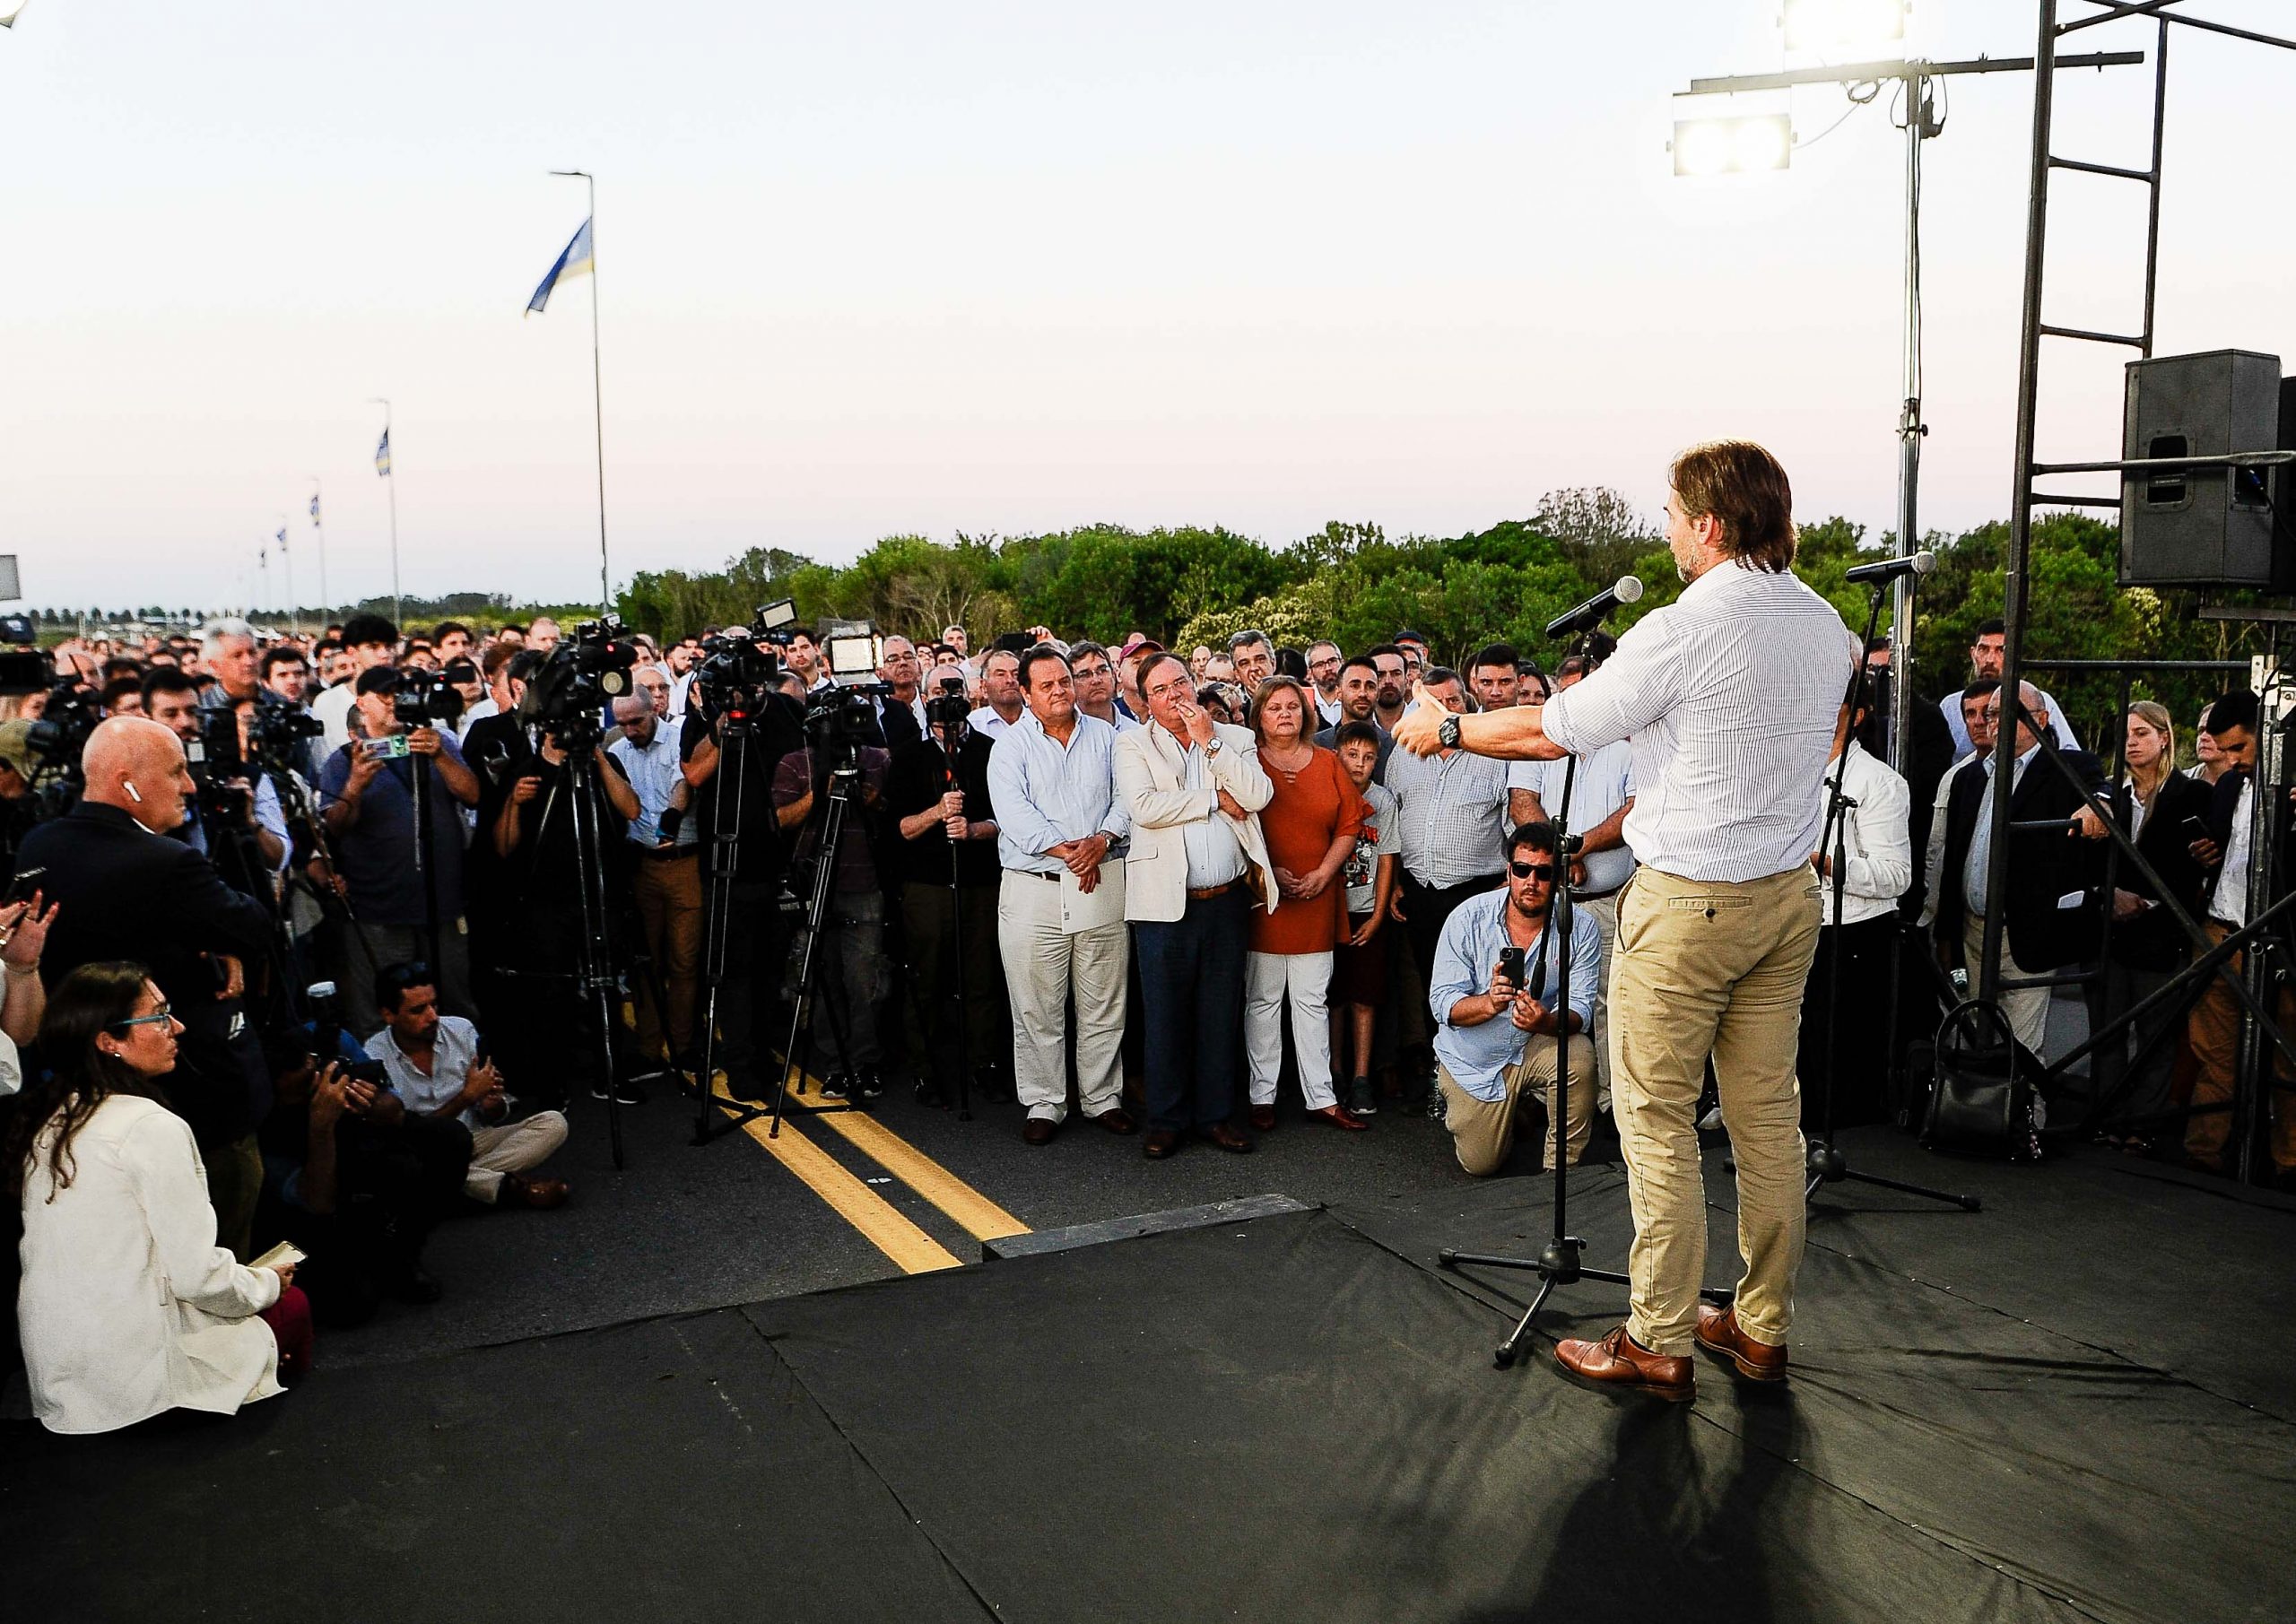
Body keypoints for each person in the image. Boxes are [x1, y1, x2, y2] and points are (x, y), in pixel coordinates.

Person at [1395, 439, 1854, 1401]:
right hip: (1784, 898)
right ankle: (1760, 1325)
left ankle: (1658, 1339)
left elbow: (1546, 728)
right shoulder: (1826, 625)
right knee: (1770, 1117)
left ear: (1710, 525)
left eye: (1672, 515)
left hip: (1689, 903)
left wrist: (1441, 727)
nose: (1666, 530)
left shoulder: (1683, 626)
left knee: (1654, 1120)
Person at [8, 963, 309, 1434]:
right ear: (109, 1041)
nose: (178, 1027)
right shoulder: (150, 1126)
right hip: (132, 1380)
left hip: (58, 1377)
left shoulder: (51, 1121)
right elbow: (195, 1278)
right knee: (294, 1308)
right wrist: (267, 1284)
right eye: (160, 1015)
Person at [19, 718, 277, 1257]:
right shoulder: (165, 861)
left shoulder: (38, 845)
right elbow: (255, 924)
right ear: (126, 781)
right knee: (215, 1239)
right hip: (190, 1091)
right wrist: (221, 944)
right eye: (177, 770)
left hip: (78, 1088)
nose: (190, 786)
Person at [1117, 653, 1275, 1159]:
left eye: (1180, 682)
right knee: (1164, 1016)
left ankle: (1215, 1117)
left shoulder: (1234, 739)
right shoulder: (1132, 743)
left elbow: (1257, 794)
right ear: (1146, 700)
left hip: (1225, 902)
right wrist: (1211, 799)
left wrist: (1210, 744)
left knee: (1219, 1012)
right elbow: (1145, 808)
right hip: (1163, 905)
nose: (1174, 695)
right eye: (1160, 690)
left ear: (1194, 682)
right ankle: (1166, 1120)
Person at [987, 647, 1135, 1143]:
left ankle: (1101, 1098)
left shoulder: (1109, 738)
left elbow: (1126, 799)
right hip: (1036, 889)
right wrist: (1073, 853)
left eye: (1064, 681)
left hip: (1102, 878)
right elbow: (1015, 815)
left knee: (1103, 1000)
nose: (1060, 691)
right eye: (1046, 685)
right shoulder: (1009, 747)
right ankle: (1044, 1102)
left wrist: (1102, 841)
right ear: (1025, 693)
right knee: (1036, 1005)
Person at [1934, 682, 2105, 1057]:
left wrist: (2098, 806)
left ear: (2042, 720)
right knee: (1972, 1034)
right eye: (1993, 714)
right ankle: (1976, 1112)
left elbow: (2105, 796)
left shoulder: (2067, 767)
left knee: (2023, 1046)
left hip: (2025, 932)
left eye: (2012, 713)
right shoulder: (1970, 777)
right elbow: (1954, 860)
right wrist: (1947, 933)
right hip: (1971, 930)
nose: (1996, 722)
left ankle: (2026, 1115)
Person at [2073, 701, 2212, 1150]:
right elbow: (2086, 860)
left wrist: (2148, 901)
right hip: (2108, 931)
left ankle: (2144, 1127)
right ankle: (2106, 1119)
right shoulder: (2109, 797)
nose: (2131, 743)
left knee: (2156, 1034)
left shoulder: (2190, 796)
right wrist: (2106, 895)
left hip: (2160, 932)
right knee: (2108, 1031)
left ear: (2164, 737)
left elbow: (2195, 867)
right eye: (2126, 735)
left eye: (2141, 733)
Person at [1429, 822, 1600, 1174]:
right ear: (1509, 871)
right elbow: (1442, 1003)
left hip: (1535, 1041)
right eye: (1522, 870)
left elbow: (1581, 1009)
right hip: (1476, 1058)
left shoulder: (1580, 926)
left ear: (1559, 878)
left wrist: (1546, 1022)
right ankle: (1511, 1112)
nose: (1531, 882)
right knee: (1481, 1164)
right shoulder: (1467, 917)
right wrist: (1489, 1003)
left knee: (1579, 1055)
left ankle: (1560, 1170)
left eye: (1544, 872)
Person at [318, 667, 482, 1031]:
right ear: (362, 703)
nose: (395, 702)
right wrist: (355, 785)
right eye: (384, 695)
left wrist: (440, 756)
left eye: (400, 693)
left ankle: (468, 1078)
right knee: (385, 1009)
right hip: (380, 909)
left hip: (443, 904)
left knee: (455, 1002)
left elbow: (473, 796)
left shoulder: (440, 742)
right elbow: (336, 827)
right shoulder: (343, 760)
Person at [1506, 655, 1635, 1107]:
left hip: (1608, 901)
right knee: (1540, 990)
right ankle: (1541, 1093)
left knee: (1604, 1000)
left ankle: (1607, 1099)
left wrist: (1579, 848)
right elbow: (1523, 802)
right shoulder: (1542, 738)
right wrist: (1560, 858)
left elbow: (1634, 811)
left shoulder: (1630, 740)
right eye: (1571, 691)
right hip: (1546, 896)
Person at [2181, 690, 2296, 1181]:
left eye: (2239, 747)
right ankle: (2204, 1156)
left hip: (2282, 939)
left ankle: (2287, 1164)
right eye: (2223, 749)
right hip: (2221, 930)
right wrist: (2207, 851)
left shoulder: (2291, 786)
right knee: (2214, 1054)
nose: (2230, 759)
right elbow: (2224, 848)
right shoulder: (2228, 786)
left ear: (2266, 733)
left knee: (2287, 1057)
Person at [1243, 676, 1366, 1131]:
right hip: (1266, 897)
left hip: (1317, 894)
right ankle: (1262, 1096)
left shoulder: (1330, 763)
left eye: (1292, 706)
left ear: (1306, 712)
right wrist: (1269, 872)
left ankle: (1321, 1097)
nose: (1285, 715)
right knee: (1263, 1000)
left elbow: (1349, 825)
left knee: (1313, 1000)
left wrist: (1323, 874)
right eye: (1274, 708)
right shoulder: (1247, 762)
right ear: (1259, 715)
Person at [364, 963, 570, 1209]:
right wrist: (466, 1097)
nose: (432, 1017)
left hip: (474, 1140)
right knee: (400, 1163)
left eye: (434, 1005)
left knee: (554, 1123)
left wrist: (492, 1103)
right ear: (389, 1015)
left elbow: (491, 1114)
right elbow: (405, 1133)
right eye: (418, 1010)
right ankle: (513, 1188)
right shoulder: (374, 1055)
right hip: (421, 1149)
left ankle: (454, 1185)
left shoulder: (460, 1031)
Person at [1797, 694, 1913, 1131]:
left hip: (1852, 930)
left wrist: (1824, 861)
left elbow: (1897, 876)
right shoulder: (1792, 773)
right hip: (1797, 921)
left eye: (1835, 702)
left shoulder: (1877, 781)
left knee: (1836, 1052)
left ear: (1858, 715)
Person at [888, 702, 1003, 1109]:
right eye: (938, 693)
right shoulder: (908, 756)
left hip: (981, 883)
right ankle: (925, 1067)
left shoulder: (991, 750)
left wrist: (975, 830)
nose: (946, 704)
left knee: (982, 977)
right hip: (928, 885)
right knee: (927, 977)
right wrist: (938, 812)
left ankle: (985, 1063)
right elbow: (900, 827)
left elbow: (1007, 818)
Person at [1383, 667, 1513, 1020]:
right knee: (1430, 983)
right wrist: (1393, 881)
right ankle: (1436, 1064)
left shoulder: (1494, 755)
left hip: (1478, 892)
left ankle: (1477, 1069)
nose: (1444, 709)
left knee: (1481, 985)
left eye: (1452, 700)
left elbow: (1512, 820)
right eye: (1435, 702)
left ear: (1466, 703)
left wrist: (1511, 879)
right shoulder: (1404, 753)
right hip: (1419, 891)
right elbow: (1391, 820)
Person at [771, 733, 893, 1100]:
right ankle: (836, 1067)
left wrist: (875, 800)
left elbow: (895, 816)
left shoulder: (877, 760)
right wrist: (817, 796)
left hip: (866, 883)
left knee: (864, 981)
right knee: (823, 982)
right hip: (815, 884)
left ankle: (866, 1062)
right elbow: (778, 820)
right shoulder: (796, 763)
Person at [604, 692, 702, 1070]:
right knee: (647, 963)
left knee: (684, 961)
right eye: (622, 724)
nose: (630, 731)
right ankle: (648, 1049)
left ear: (655, 710)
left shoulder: (678, 739)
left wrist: (673, 817)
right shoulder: (619, 750)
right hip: (641, 865)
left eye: (637, 723)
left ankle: (682, 1045)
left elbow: (683, 785)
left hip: (682, 863)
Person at [1329, 721, 1399, 1116]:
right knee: (1333, 996)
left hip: (1365, 910)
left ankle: (1360, 1078)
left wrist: (1377, 914)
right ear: (1337, 753)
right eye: (1352, 755)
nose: (1360, 764)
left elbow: (1388, 856)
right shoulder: (1327, 793)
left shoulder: (1383, 802)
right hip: (1330, 910)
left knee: (1365, 997)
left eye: (1369, 757)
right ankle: (1335, 1071)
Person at [1940, 619, 2077, 758]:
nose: (1990, 659)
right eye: (1983, 649)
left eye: (2001, 650)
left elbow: (2070, 757)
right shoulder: (1950, 706)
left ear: (2015, 655)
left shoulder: (2039, 702)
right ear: (1973, 653)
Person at [312, 613, 398, 753]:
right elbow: (323, 758)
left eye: (389, 647)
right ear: (352, 651)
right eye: (373, 647)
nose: (384, 654)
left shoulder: (410, 693)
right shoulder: (327, 701)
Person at [1313, 655, 1394, 782]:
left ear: (1378, 694)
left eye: (1370, 686)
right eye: (1355, 686)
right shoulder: (1316, 745)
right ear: (1338, 692)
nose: (1362, 693)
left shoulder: (1392, 748)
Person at [966, 648, 1025, 739]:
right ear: (984, 686)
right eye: (1001, 675)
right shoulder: (973, 725)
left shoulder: (1040, 720)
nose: (1010, 680)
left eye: (1016, 674)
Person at [1305, 640, 1345, 727]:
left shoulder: (1354, 698)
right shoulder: (1306, 702)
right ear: (1310, 672)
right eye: (1320, 665)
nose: (1328, 668)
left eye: (1332, 661)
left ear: (1342, 663)